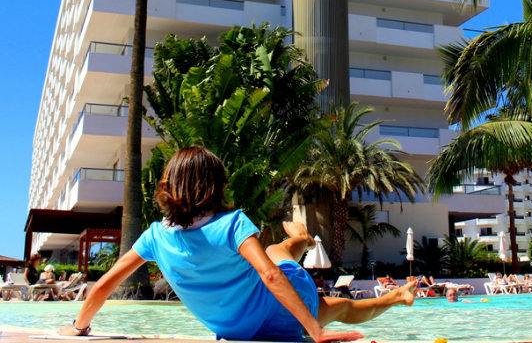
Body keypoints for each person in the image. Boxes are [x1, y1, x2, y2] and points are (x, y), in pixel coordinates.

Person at [58, 146, 416, 341]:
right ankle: (305, 242)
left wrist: (79, 328)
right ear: (215, 186)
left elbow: (104, 285)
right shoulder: (232, 225)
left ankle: (303, 241)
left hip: (242, 327)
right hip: (283, 310)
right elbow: (271, 277)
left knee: (294, 267)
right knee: (289, 265)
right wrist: (315, 330)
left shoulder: (154, 236)